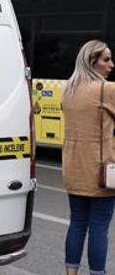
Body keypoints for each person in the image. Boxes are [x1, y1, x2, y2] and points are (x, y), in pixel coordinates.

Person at [62, 39, 115, 275]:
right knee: (99, 228)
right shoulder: (107, 90)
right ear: (91, 61)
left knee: (77, 224)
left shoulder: (68, 90)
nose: (111, 65)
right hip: (102, 170)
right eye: (106, 59)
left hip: (73, 168)